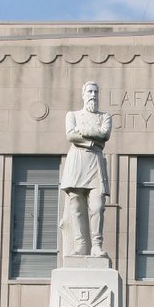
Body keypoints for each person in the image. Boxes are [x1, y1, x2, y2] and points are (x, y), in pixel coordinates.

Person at [60, 81, 111, 257]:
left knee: (97, 206)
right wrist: (91, 141)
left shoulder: (105, 116)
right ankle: (80, 245)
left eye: (96, 92)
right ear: (83, 94)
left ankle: (96, 245)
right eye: (89, 91)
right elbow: (70, 135)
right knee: (76, 206)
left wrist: (82, 130)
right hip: (77, 163)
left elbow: (104, 134)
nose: (93, 95)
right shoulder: (72, 115)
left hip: (95, 162)